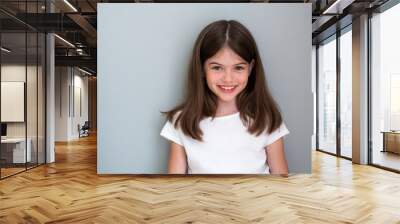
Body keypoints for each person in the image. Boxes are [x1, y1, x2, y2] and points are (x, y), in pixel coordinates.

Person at [160, 20, 289, 175]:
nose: (228, 79)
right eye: (217, 67)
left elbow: (281, 183)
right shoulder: (180, 121)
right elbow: (175, 187)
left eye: (238, 68)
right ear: (201, 67)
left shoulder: (267, 118)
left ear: (251, 68)